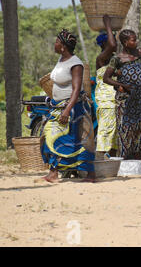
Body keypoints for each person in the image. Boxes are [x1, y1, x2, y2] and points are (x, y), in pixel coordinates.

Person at [41, 29, 96, 183]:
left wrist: (67, 110)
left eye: (57, 42)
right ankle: (53, 172)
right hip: (58, 107)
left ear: (63, 46)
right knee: (52, 137)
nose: (55, 44)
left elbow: (76, 89)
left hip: (73, 109)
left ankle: (91, 174)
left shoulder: (76, 64)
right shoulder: (61, 60)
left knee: (81, 140)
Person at [103, 29, 141, 160]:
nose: (136, 42)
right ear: (125, 42)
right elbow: (106, 78)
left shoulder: (140, 53)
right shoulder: (117, 59)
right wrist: (122, 85)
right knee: (126, 129)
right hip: (125, 100)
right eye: (133, 40)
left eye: (135, 39)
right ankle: (126, 158)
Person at [94, 15, 118, 159]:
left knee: (114, 135)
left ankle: (112, 162)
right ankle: (99, 162)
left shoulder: (114, 60)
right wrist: (108, 24)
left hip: (114, 102)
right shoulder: (101, 59)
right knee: (105, 133)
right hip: (107, 103)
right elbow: (113, 45)